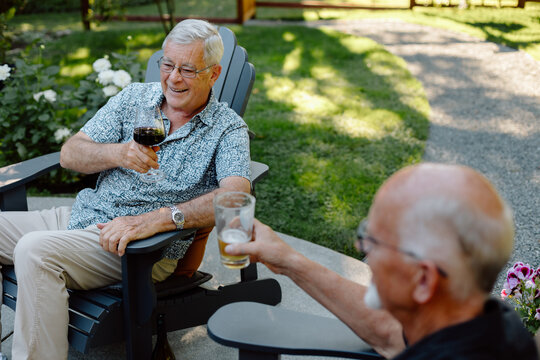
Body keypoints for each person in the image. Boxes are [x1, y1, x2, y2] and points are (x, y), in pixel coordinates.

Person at [0, 19, 251, 359]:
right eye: (168, 64)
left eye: (188, 70)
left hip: (138, 247)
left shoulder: (227, 129)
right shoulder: (134, 97)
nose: (173, 78)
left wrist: (161, 218)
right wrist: (117, 152)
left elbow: (235, 196)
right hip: (83, 216)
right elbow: (70, 153)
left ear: (215, 73)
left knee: (34, 251)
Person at [225, 163, 538, 359]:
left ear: (424, 280)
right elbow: (390, 334)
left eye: (373, 240)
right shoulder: (490, 326)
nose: (363, 249)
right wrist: (288, 260)